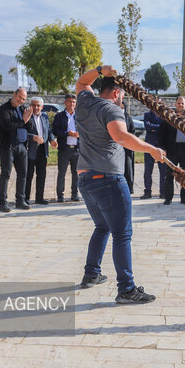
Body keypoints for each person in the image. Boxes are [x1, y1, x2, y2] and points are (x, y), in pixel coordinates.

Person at [75, 64, 165, 304]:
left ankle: (91, 274)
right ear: (116, 92)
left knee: (102, 227)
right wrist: (152, 150)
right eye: (122, 95)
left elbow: (82, 83)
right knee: (122, 234)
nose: (122, 99)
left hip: (85, 178)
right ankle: (127, 289)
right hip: (108, 179)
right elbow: (122, 138)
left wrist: (99, 70)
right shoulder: (111, 109)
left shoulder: (85, 102)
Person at [0, 87, 34, 212]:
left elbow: (29, 126)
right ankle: (3, 203)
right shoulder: (3, 109)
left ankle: (20, 201)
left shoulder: (22, 109)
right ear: (14, 94)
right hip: (8, 147)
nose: (21, 101)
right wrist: (23, 120)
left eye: (24, 99)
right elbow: (8, 126)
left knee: (23, 174)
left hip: (22, 146)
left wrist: (28, 118)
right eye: (20, 97)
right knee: (6, 174)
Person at [160, 96, 185, 205]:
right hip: (171, 150)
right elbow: (162, 135)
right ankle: (168, 198)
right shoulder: (169, 117)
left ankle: (184, 198)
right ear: (175, 104)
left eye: (182, 103)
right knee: (169, 175)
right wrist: (162, 148)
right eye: (178, 103)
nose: (180, 105)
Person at [25, 97, 57, 205]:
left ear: (42, 107)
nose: (35, 107)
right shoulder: (26, 116)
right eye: (33, 105)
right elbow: (21, 132)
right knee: (28, 175)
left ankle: (39, 197)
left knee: (41, 175)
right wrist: (33, 137)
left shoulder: (44, 116)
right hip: (30, 150)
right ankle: (25, 198)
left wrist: (52, 140)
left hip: (43, 150)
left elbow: (48, 130)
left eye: (38, 105)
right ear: (30, 106)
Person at [52, 93, 80, 202]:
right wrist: (68, 133)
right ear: (65, 102)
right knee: (61, 173)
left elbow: (85, 130)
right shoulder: (59, 116)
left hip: (77, 149)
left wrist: (78, 134)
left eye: (73, 102)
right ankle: (60, 195)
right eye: (69, 101)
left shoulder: (80, 116)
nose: (71, 104)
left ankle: (75, 194)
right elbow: (55, 131)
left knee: (76, 174)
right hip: (64, 149)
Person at [141, 109, 166, 199]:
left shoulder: (163, 115)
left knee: (163, 171)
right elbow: (147, 126)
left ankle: (163, 192)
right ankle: (147, 192)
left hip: (161, 145)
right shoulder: (147, 114)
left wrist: (154, 128)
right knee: (148, 170)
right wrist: (158, 127)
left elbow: (164, 128)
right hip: (149, 146)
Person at [117, 89, 136, 194]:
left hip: (126, 148)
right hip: (116, 148)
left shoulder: (128, 118)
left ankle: (129, 188)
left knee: (128, 169)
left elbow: (132, 131)